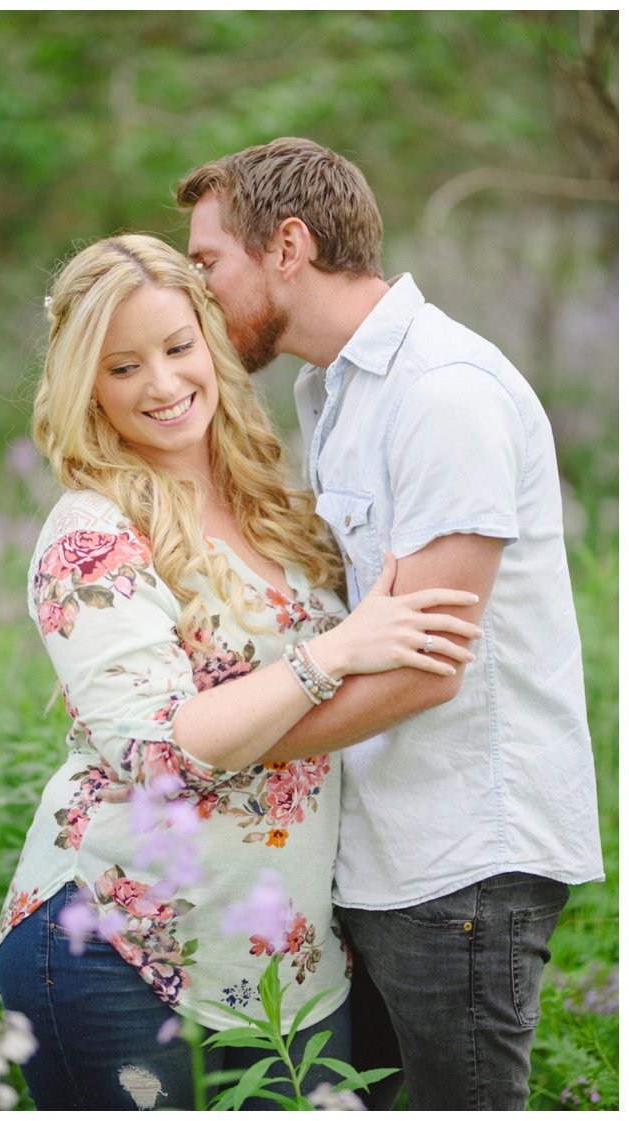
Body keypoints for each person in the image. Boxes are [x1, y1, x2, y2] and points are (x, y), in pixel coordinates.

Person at [0, 234, 481, 1110]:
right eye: (123, 366)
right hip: (115, 944)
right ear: (87, 386)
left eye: (178, 348)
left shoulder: (277, 504)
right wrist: (331, 650)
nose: (164, 384)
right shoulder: (90, 535)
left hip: (287, 957)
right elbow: (155, 755)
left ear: (210, 344)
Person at [177, 137, 604, 1110]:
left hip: (461, 865)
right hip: (387, 855)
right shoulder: (337, 389)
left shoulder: (443, 392)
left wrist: (226, 746)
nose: (197, 292)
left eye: (208, 264)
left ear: (287, 245)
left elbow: (426, 667)